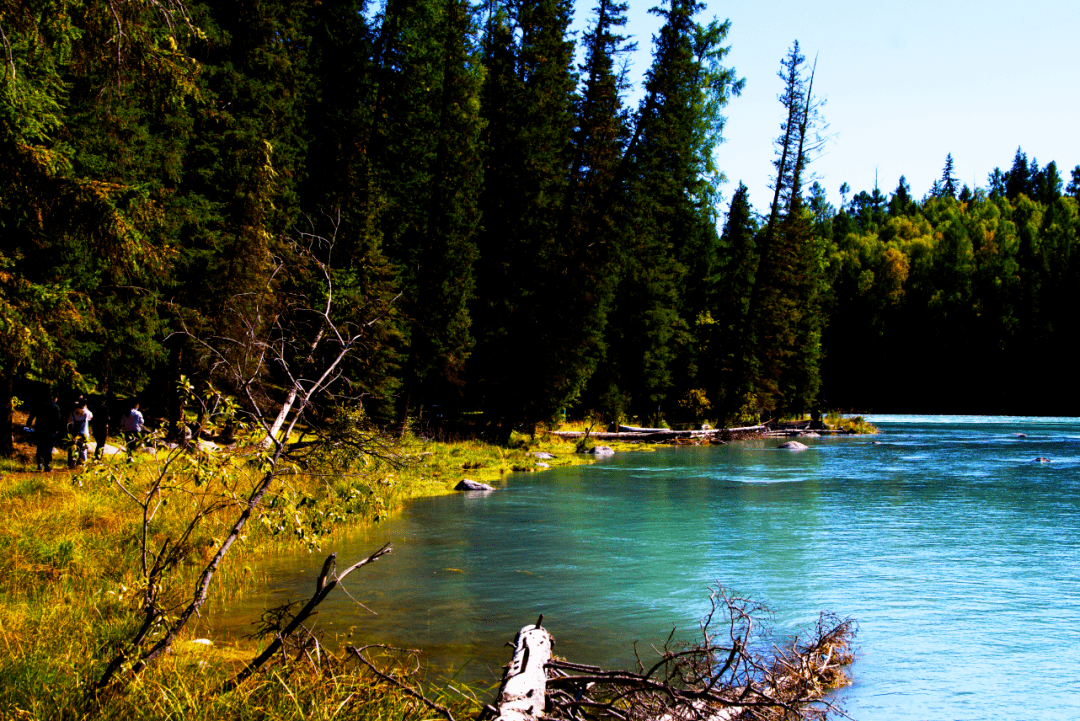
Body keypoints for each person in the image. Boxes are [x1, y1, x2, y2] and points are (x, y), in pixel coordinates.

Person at [34, 395, 61, 472]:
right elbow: (58, 419)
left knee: (40, 446)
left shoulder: (40, 405)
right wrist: (57, 429)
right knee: (48, 447)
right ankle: (47, 464)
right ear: (54, 398)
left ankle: (39, 462)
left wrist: (28, 423)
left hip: (40, 428)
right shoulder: (56, 407)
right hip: (50, 430)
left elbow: (33, 414)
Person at [67, 398, 93, 468]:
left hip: (75, 431)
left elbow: (70, 421)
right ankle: (82, 462)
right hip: (84, 432)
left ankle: (73, 460)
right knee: (83, 448)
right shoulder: (87, 412)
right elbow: (91, 417)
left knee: (74, 447)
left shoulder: (73, 412)